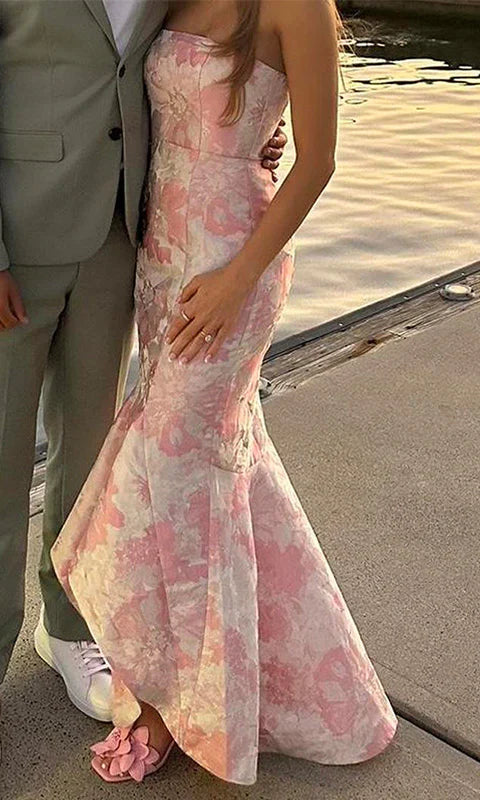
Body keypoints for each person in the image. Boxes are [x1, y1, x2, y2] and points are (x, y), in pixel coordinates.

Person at [0, 0, 284, 797]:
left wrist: (251, 126)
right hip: (10, 240)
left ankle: (67, 626)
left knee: (90, 460)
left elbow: (186, 55)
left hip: (125, 235)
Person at [51, 0, 399, 786]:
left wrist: (238, 279)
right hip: (161, 256)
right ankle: (262, 680)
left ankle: (176, 702)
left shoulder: (298, 7)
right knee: (213, 473)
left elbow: (317, 162)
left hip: (232, 264)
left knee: (176, 473)